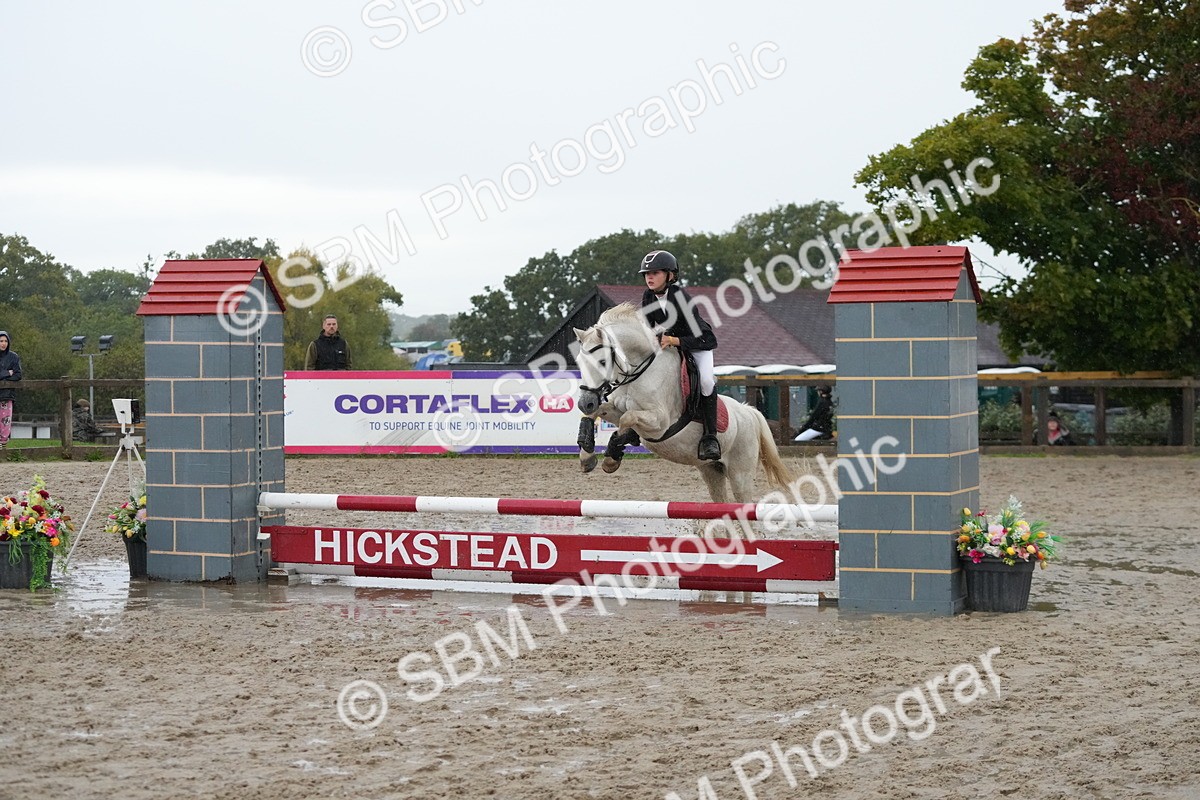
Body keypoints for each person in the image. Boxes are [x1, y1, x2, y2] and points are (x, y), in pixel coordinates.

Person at [639, 249, 721, 461]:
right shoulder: (648, 297)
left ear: (670, 275)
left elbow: (704, 338)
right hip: (670, 347)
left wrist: (673, 340)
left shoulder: (681, 298)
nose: (649, 277)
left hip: (698, 345)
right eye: (647, 273)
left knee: (706, 382)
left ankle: (710, 437)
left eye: (655, 273)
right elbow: (649, 328)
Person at [0, 331, 21, 450]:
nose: (3, 343)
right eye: (1, 341)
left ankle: (3, 445)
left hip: (7, 394)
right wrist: (7, 373)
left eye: (5, 341)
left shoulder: (14, 357)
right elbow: (11, 374)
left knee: (5, 421)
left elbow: (18, 375)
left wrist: (3, 377)